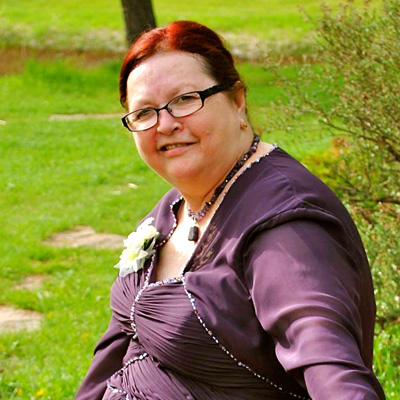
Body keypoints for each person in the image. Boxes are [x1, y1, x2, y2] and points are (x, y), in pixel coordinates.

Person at [75, 21, 386, 400]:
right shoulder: (172, 209)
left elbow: (329, 366)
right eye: (144, 113)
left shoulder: (286, 226)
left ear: (237, 99)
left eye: (185, 99)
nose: (166, 124)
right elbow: (115, 352)